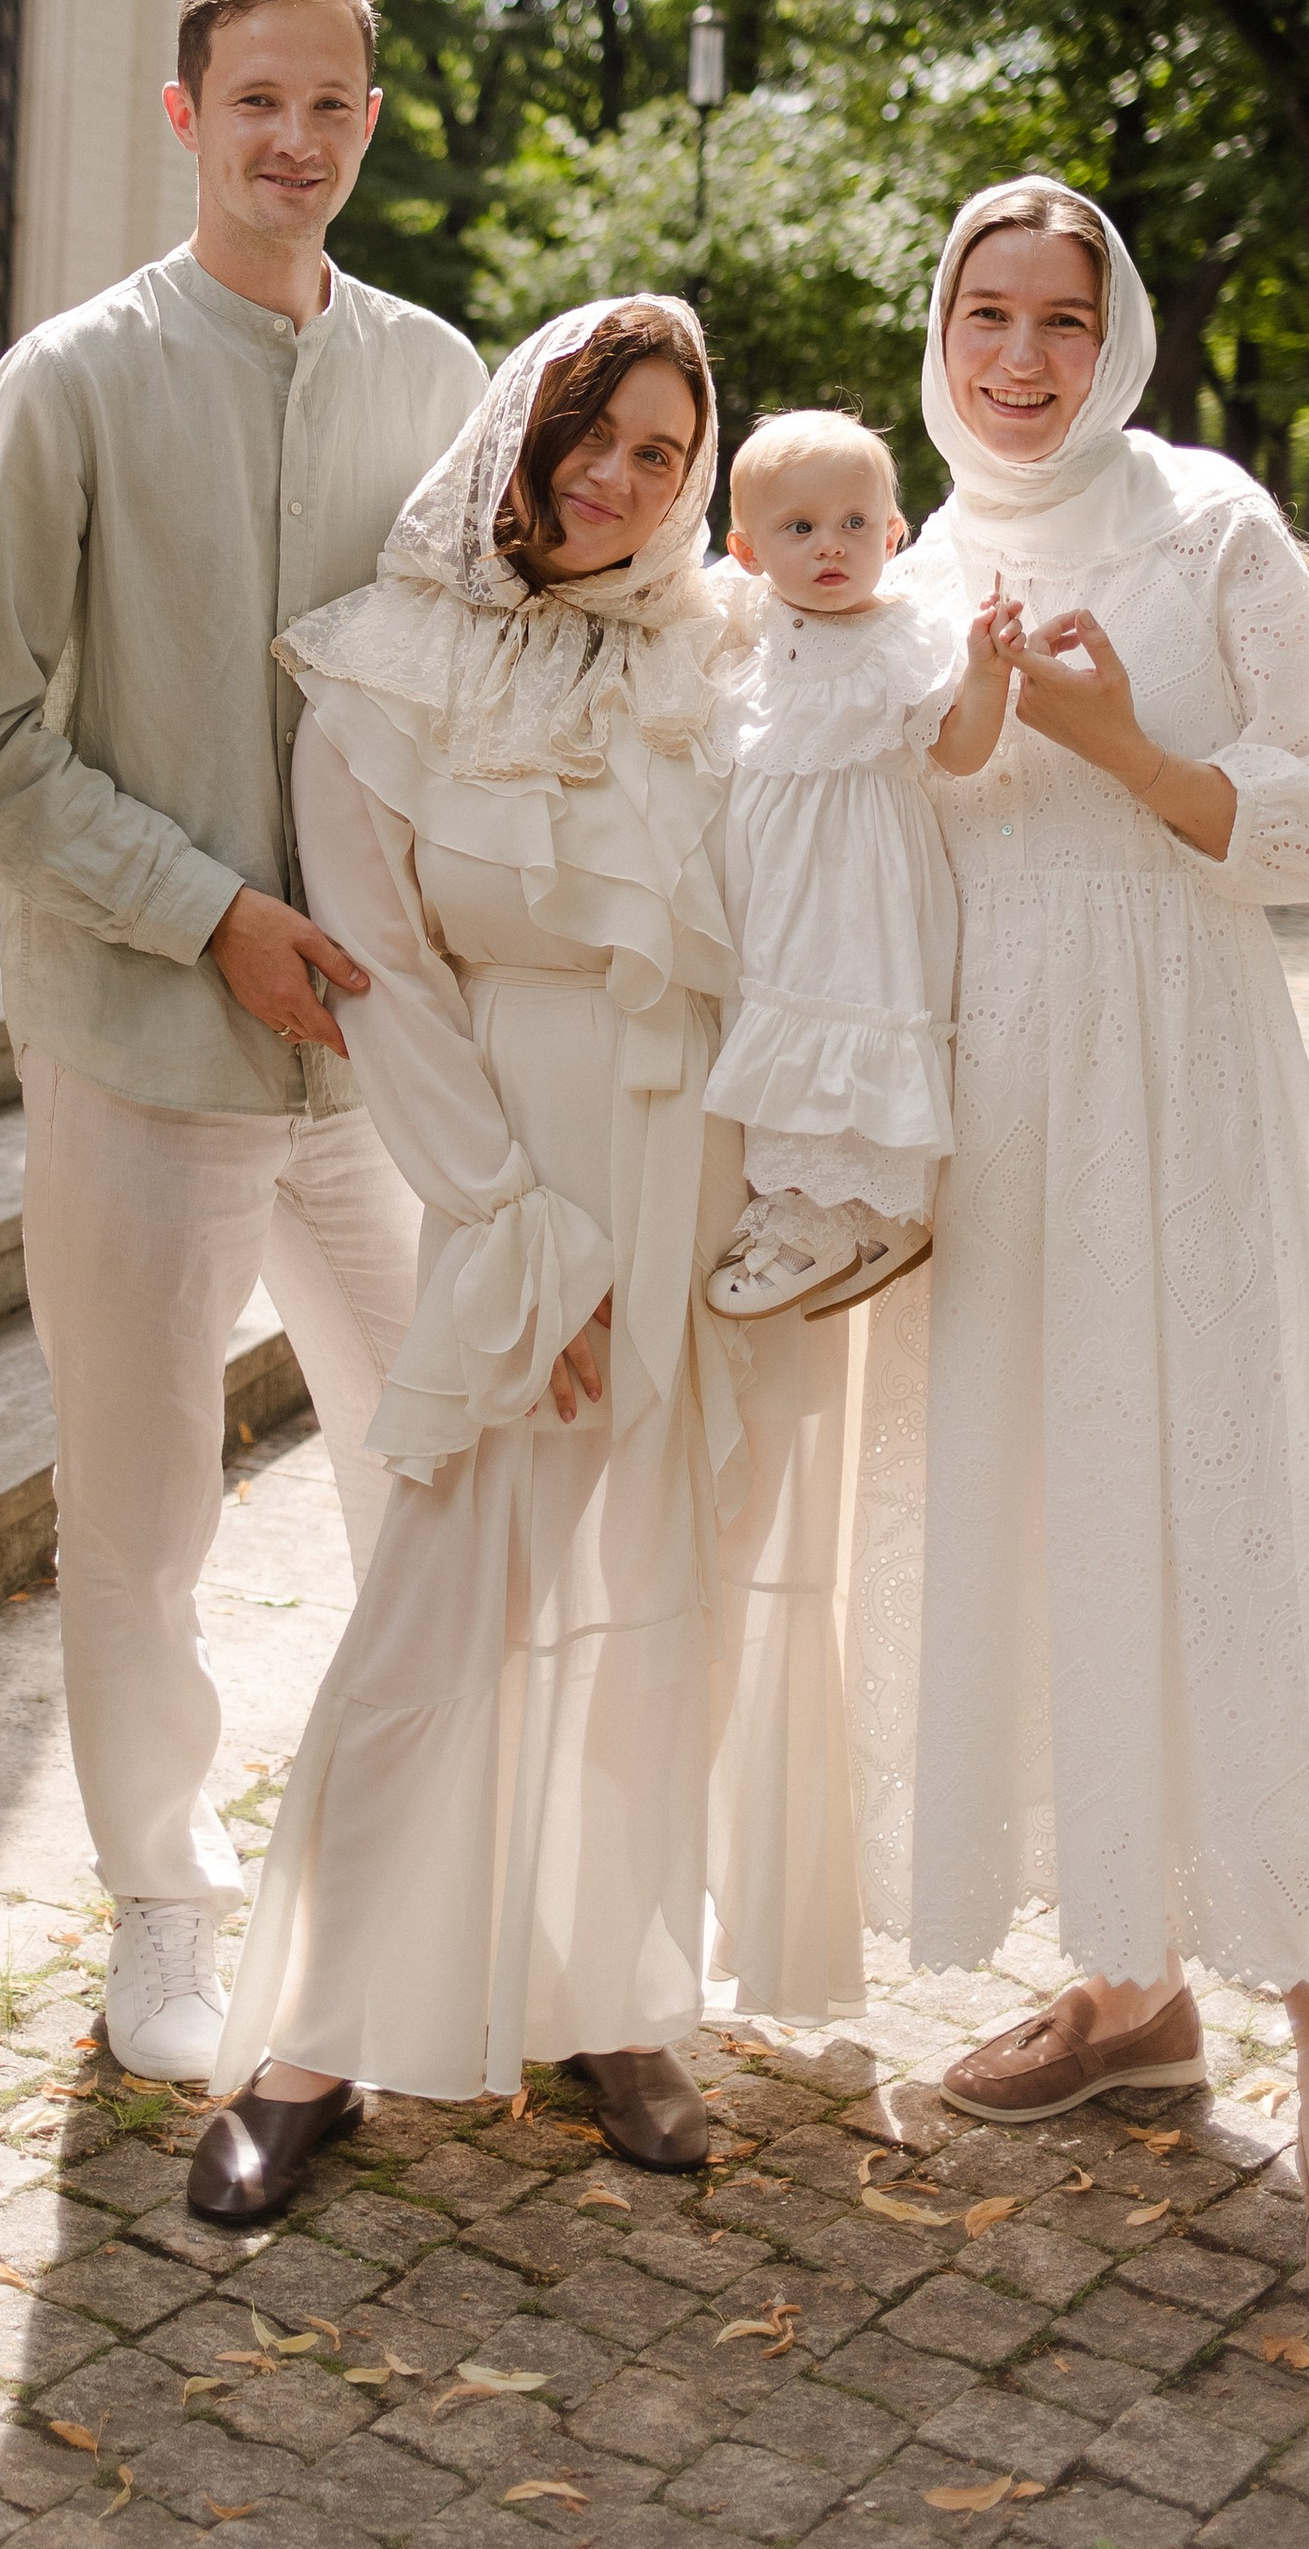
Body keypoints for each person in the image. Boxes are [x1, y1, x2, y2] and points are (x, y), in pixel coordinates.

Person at [189, 299, 863, 2225]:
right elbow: (382, 984)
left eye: (665, 450)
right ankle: (312, 2036)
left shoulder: (726, 649)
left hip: (710, 1168)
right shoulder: (383, 672)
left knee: (668, 1584)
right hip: (520, 1175)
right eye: (595, 429)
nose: (624, 477)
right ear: (520, 423)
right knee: (450, 1595)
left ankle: (613, 1990)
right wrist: (518, 1229)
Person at [851, 174, 1309, 2358]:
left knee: (1227, 1527)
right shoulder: (899, 559)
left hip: (1176, 1083)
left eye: (1057, 321)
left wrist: (1118, 751)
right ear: (942, 332)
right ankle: (1123, 1988)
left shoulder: (1205, 528)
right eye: (983, 317)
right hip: (991, 1102)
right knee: (1050, 1522)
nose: (1017, 359)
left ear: (1120, 335)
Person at [0, 0, 485, 2080]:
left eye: (331, 103)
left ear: (363, 119)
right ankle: (159, 1905)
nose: (297, 139)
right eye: (256, 100)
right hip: (138, 1054)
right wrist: (210, 915)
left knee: (432, 1460)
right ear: (183, 117)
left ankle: (402, 1864)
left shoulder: (439, 382)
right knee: (140, 1515)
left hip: (374, 1075)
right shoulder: (63, 384)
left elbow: (486, 689)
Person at [702, 409, 1016, 1322]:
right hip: (771, 889)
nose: (829, 547)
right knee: (773, 1029)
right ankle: (799, 1205)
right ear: (749, 551)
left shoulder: (906, 637)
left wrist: (988, 674)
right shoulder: (746, 626)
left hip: (860, 885)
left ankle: (865, 1206)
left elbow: (956, 753)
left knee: (853, 1015)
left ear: (893, 534)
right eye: (798, 528)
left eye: (852, 525)